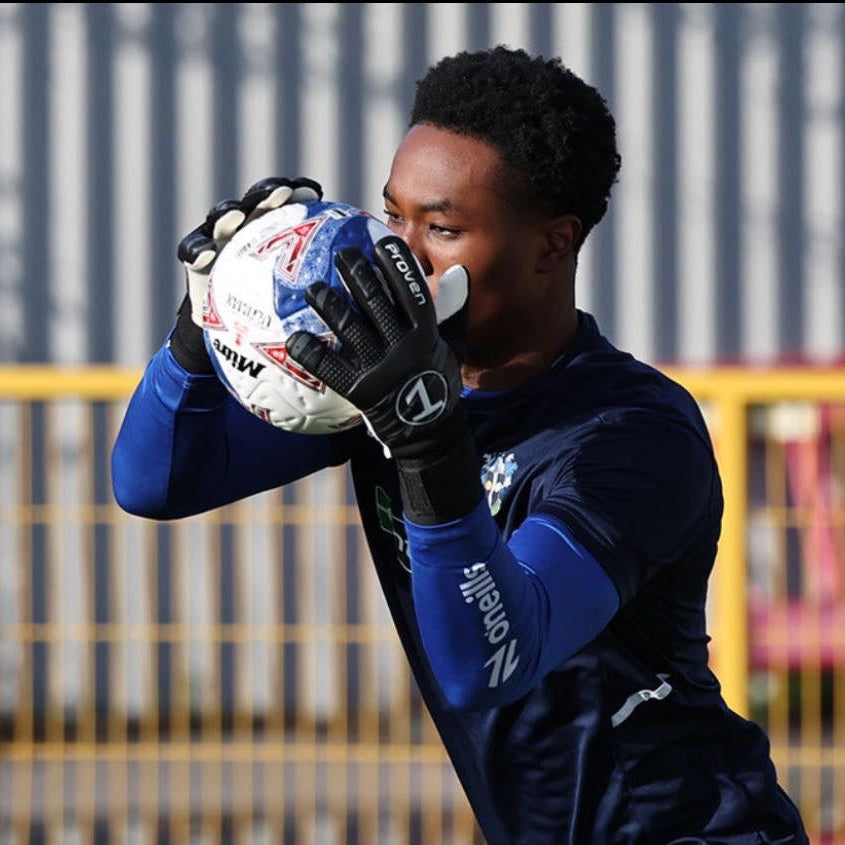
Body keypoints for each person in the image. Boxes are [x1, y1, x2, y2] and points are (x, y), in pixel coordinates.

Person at [111, 46, 808, 845]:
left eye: (441, 228)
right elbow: (154, 482)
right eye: (392, 216)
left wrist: (428, 449)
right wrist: (199, 335)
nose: (398, 256)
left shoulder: (630, 433)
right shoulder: (382, 384)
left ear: (552, 244)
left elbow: (490, 663)